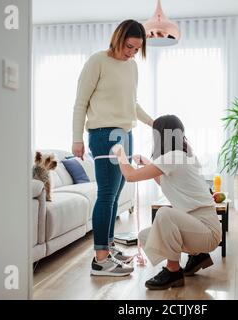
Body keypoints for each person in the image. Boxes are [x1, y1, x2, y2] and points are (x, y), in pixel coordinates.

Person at [72, 20, 154, 277]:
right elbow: (80, 102)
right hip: (104, 134)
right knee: (107, 193)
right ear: (118, 39)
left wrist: (156, 123)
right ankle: (100, 260)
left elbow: (132, 104)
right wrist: (77, 138)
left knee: (117, 193)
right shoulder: (97, 61)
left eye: (136, 49)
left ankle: (107, 247)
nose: (131, 52)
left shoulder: (132, 68)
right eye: (129, 46)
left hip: (125, 133)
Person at [112, 115, 222, 289]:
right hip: (197, 226)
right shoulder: (180, 156)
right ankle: (197, 255)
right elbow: (163, 181)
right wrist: (147, 163)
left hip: (207, 230)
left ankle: (173, 271)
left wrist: (120, 153)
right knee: (145, 236)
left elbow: (130, 176)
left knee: (164, 214)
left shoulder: (174, 156)